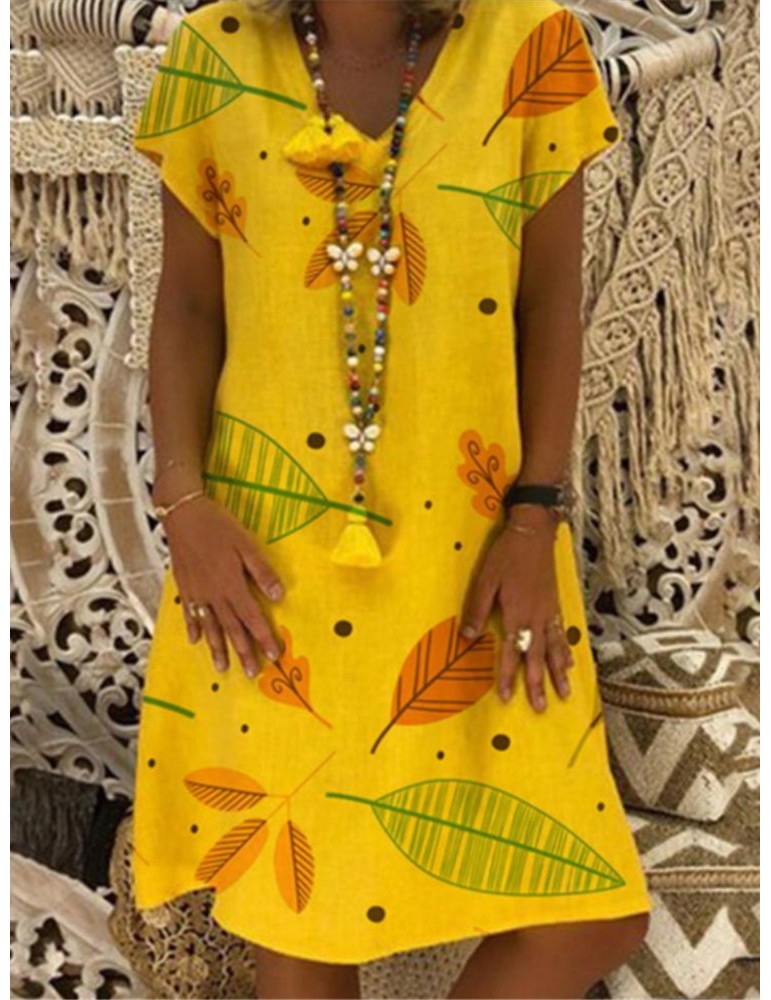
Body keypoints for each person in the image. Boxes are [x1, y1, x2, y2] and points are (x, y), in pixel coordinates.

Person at [131, 0, 653, 996]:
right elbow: (189, 303)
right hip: (267, 566)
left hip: (480, 562)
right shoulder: (214, 55)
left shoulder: (529, 46)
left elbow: (550, 303)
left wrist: (534, 514)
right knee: (305, 916)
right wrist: (182, 505)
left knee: (590, 916)